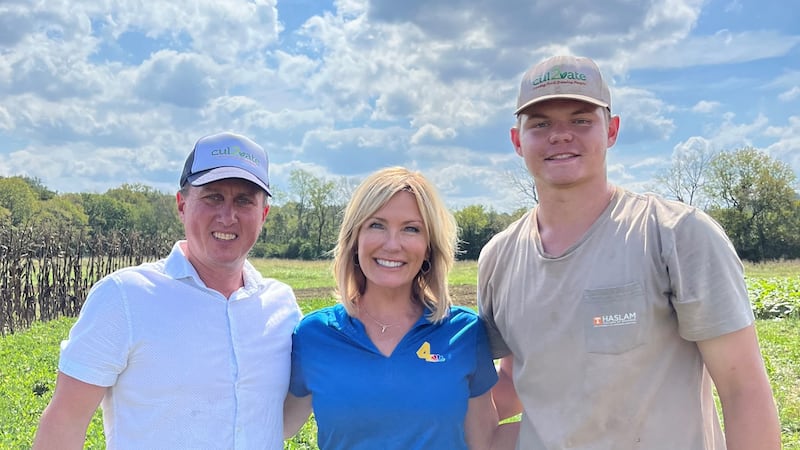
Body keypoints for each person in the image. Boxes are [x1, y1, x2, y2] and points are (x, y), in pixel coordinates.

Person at [478, 55, 782, 449]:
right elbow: (513, 379)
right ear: (518, 141)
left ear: (612, 130)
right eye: (540, 124)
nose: (561, 135)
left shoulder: (676, 235)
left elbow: (743, 389)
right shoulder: (498, 257)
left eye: (581, 119)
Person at [32, 132, 302, 449]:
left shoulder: (280, 306)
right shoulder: (125, 297)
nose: (227, 216)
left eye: (244, 201)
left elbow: (277, 422)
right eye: (213, 197)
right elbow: (64, 422)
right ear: (182, 205)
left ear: (263, 215)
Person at [283, 167, 517, 449]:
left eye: (411, 229)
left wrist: (580, 423)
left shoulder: (464, 332)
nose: (392, 245)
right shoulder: (314, 335)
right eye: (377, 225)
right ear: (354, 238)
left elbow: (485, 442)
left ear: (429, 246)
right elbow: (272, 426)